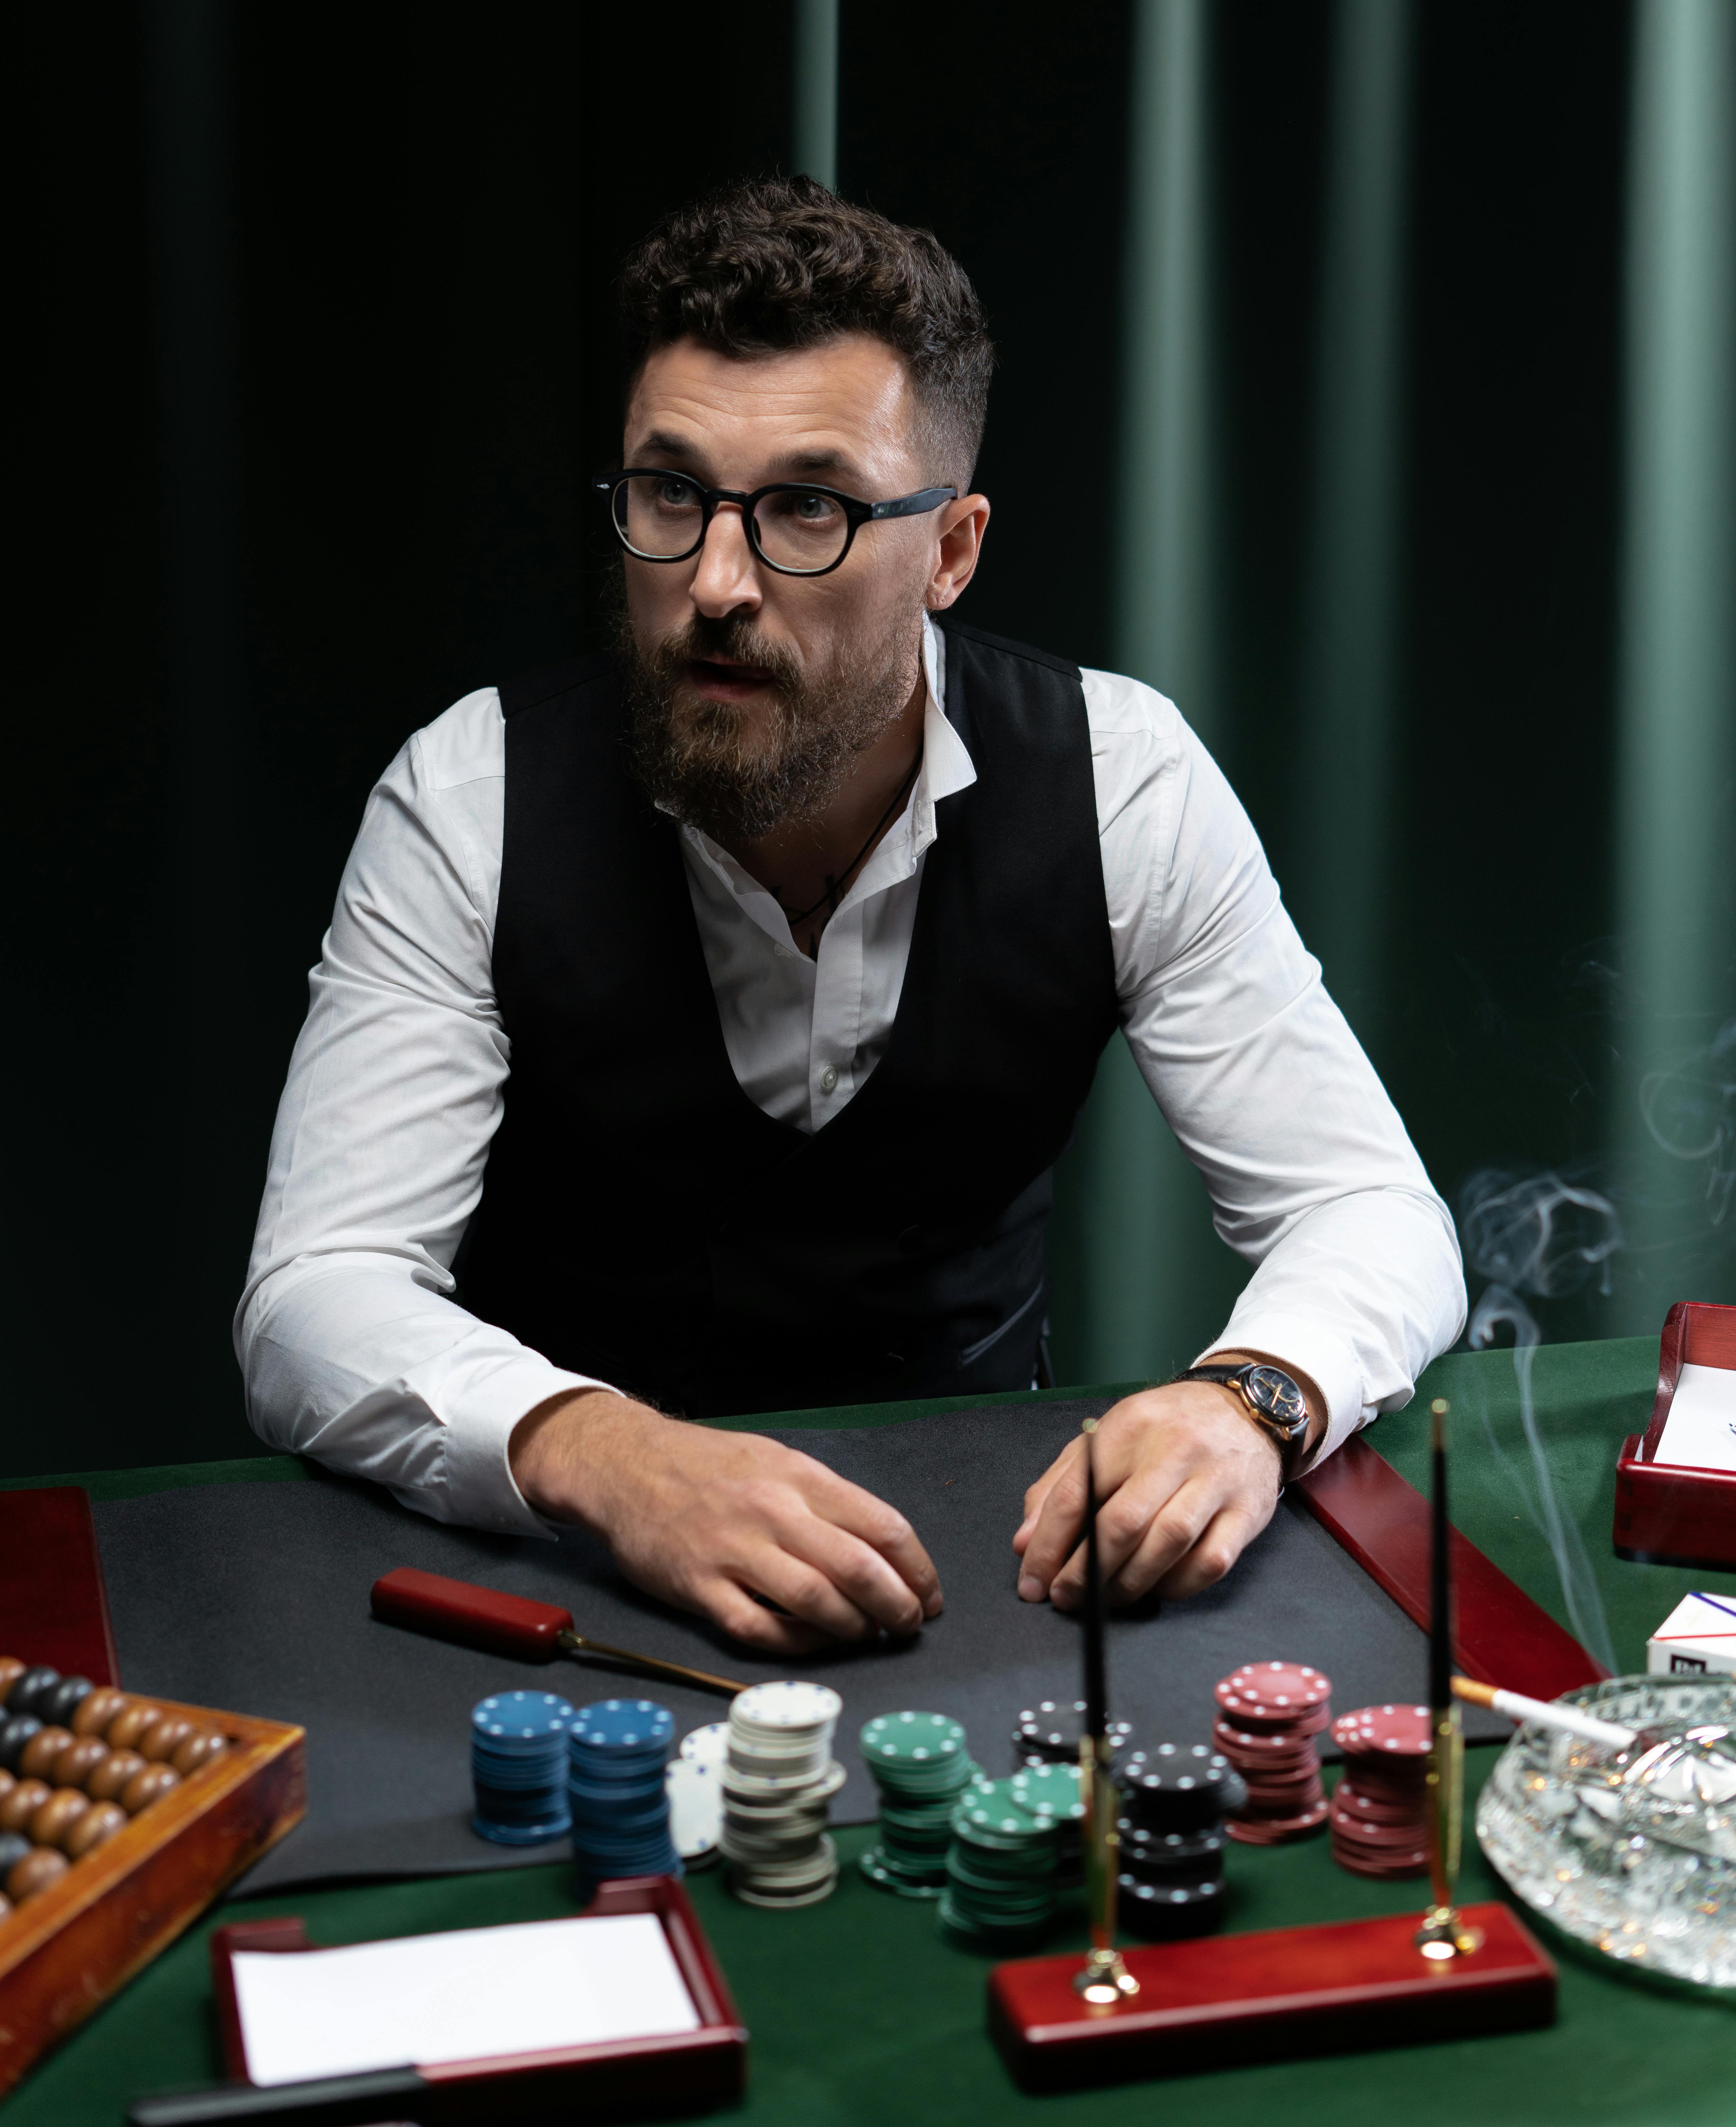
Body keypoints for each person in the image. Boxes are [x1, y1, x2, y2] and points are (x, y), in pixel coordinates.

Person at [237, 177, 1464, 1655]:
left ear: (949, 549)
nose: (715, 583)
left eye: (808, 507)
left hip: (988, 1569)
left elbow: (1369, 1211)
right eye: (670, 492)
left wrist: (1248, 1402)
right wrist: (604, 1453)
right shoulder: (469, 794)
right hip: (562, 1582)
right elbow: (316, 1294)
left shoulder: (1119, 779)